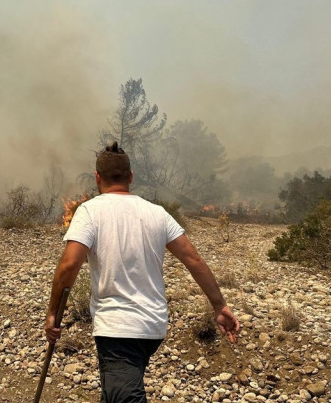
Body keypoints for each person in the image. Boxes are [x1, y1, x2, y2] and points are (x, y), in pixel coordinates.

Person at [44, 142, 239, 403]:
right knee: (115, 391)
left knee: (124, 395)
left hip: (118, 328)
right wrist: (219, 305)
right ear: (130, 177)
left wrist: (52, 313)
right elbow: (193, 259)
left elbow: (69, 266)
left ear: (97, 177)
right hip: (152, 328)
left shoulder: (90, 211)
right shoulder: (157, 213)